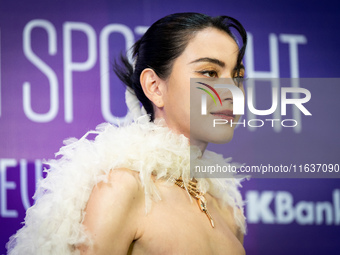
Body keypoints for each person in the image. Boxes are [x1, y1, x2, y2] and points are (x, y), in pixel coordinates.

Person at [7, 12, 247, 255]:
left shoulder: (229, 213)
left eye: (238, 77)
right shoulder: (122, 188)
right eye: (209, 73)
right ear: (154, 87)